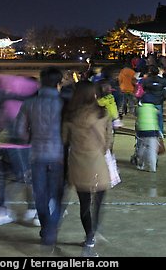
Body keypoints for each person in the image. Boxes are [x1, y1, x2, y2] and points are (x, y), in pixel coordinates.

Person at [61, 81, 116, 256]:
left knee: (84, 203)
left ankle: (89, 236)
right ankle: (95, 228)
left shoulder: (70, 116)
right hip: (98, 161)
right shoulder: (103, 113)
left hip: (78, 162)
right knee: (98, 202)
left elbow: (64, 140)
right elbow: (108, 141)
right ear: (94, 95)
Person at [15, 66, 65, 249]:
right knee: (57, 196)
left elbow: (20, 130)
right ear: (58, 84)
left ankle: (46, 229)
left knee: (40, 194)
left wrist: (31, 137)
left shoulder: (29, 103)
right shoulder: (63, 103)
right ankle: (51, 227)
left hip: (37, 154)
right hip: (58, 155)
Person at [0, 74, 40, 227]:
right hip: (22, 145)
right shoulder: (28, 103)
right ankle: (33, 210)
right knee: (26, 176)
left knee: (3, 177)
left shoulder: (5, 99)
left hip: (3, 144)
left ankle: (2, 211)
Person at [140, 65, 166, 138]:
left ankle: (150, 131)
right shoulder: (162, 80)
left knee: (149, 118)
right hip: (158, 101)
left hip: (149, 101)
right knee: (159, 118)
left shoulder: (146, 80)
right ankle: (160, 132)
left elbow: (143, 88)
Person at [132, 102, 161, 172]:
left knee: (142, 147)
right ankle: (153, 167)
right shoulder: (153, 108)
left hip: (142, 131)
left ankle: (141, 164)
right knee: (152, 151)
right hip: (153, 131)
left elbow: (135, 114)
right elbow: (158, 113)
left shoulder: (139, 108)